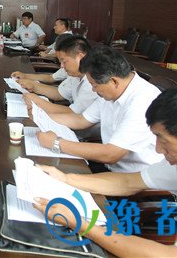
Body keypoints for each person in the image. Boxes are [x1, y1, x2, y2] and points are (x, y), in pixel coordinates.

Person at [33, 86, 177, 257]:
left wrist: (78, 223)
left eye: (164, 141)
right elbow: (128, 183)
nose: (158, 149)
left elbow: (174, 256)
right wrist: (65, 178)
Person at [35, 45, 163, 172]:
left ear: (114, 81)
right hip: (109, 167)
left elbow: (111, 154)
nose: (93, 90)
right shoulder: (112, 90)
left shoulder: (143, 101)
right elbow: (81, 120)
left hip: (132, 177)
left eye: (94, 85)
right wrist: (39, 117)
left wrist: (57, 143)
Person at [22, 35, 98, 115]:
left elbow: (74, 113)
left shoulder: (93, 81)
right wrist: (34, 86)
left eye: (64, 61)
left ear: (80, 57)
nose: (61, 66)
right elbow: (59, 94)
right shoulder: (76, 74)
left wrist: (38, 102)